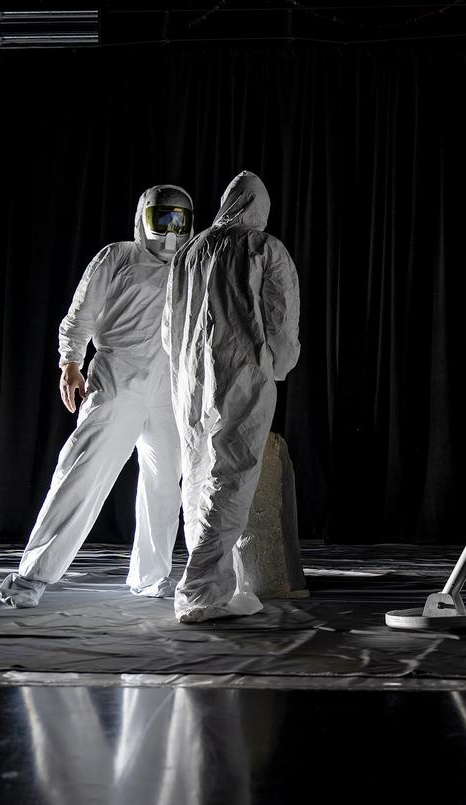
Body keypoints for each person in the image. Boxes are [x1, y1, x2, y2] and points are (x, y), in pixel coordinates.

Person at [0, 185, 195, 608]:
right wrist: (70, 363)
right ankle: (32, 576)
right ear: (144, 216)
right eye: (164, 218)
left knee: (164, 484)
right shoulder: (118, 257)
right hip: (117, 376)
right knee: (82, 474)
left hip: (170, 384)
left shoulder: (192, 264)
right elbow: (79, 315)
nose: (172, 229)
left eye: (179, 219)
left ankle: (151, 575)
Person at [164, 171, 300, 624]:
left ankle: (219, 583)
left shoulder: (189, 252)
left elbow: (169, 327)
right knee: (233, 475)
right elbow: (281, 319)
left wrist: (186, 365)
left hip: (189, 377)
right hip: (241, 372)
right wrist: (276, 366)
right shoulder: (263, 248)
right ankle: (203, 591)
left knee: (198, 474)